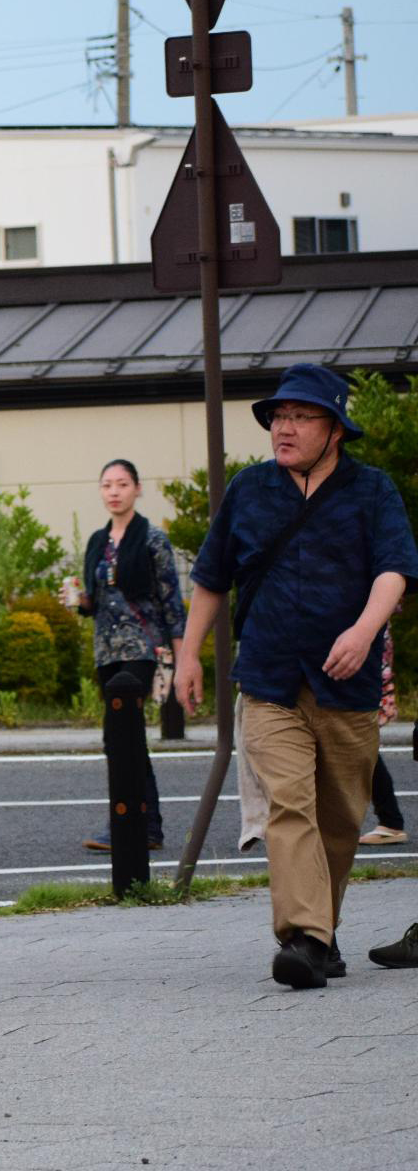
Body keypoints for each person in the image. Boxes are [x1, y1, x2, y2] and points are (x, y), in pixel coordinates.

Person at [175, 363, 418, 990]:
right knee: (290, 806)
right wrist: (187, 655)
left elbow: (395, 569)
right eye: (277, 416)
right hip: (269, 677)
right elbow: (211, 577)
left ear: (334, 429)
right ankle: (305, 940)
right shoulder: (250, 490)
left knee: (339, 821)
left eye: (299, 416)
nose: (283, 427)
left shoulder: (373, 491)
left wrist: (363, 632)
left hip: (348, 685)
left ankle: (323, 933)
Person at [72, 459, 186, 853]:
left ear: (138, 488)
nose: (114, 492)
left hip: (141, 648)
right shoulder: (97, 542)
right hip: (106, 650)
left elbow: (172, 601)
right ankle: (144, 823)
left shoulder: (153, 539)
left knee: (123, 736)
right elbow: (96, 600)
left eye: (122, 484)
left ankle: (129, 823)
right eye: (107, 485)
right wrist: (81, 600)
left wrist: (182, 657)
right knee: (124, 738)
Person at [359, 627, 405, 845]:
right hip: (365, 648)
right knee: (362, 746)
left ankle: (391, 821)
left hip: (362, 652)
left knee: (362, 745)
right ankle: (391, 820)